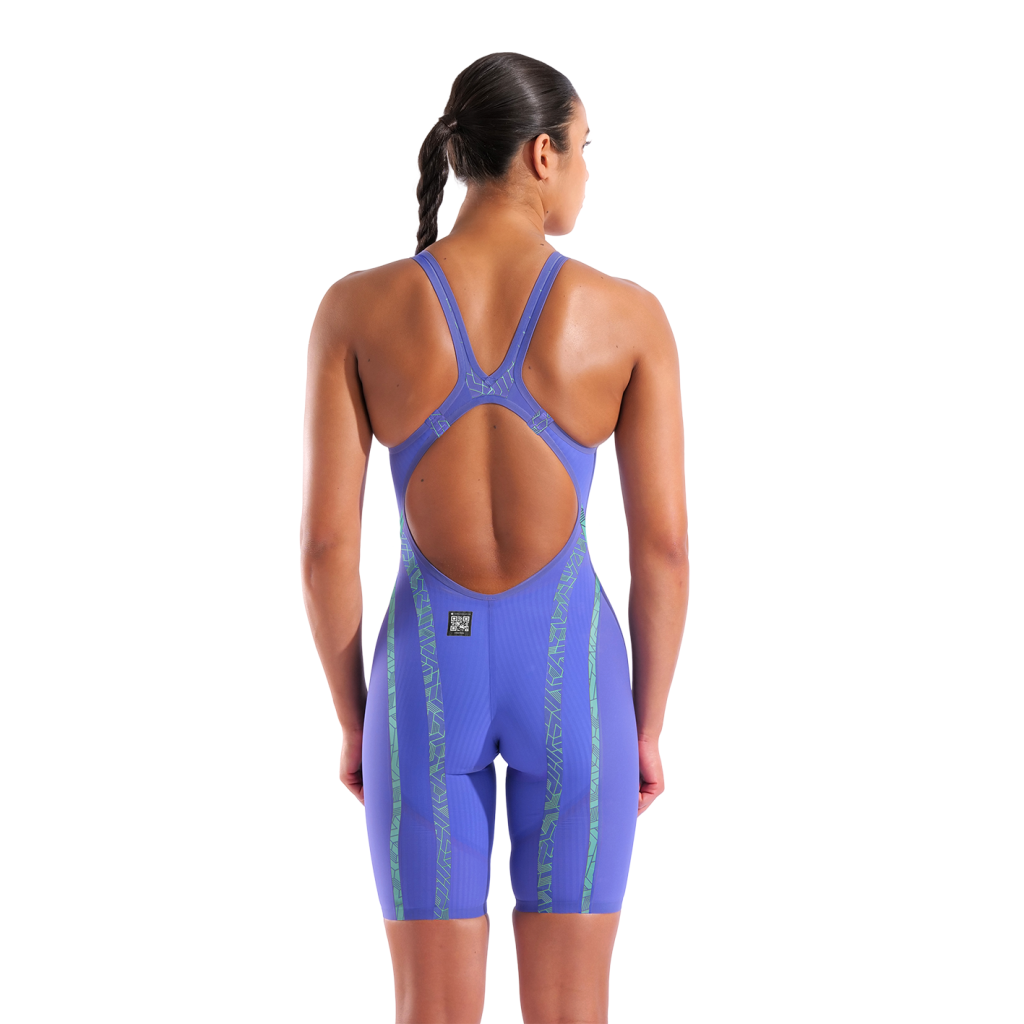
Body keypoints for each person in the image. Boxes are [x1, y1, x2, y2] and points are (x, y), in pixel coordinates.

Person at [301, 52, 688, 1024]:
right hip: (576, 682)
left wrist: (356, 718)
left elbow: (324, 549)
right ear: (543, 155)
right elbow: (664, 551)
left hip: (424, 678)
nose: (588, 172)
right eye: (586, 148)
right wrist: (643, 724)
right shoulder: (627, 317)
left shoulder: (356, 309)